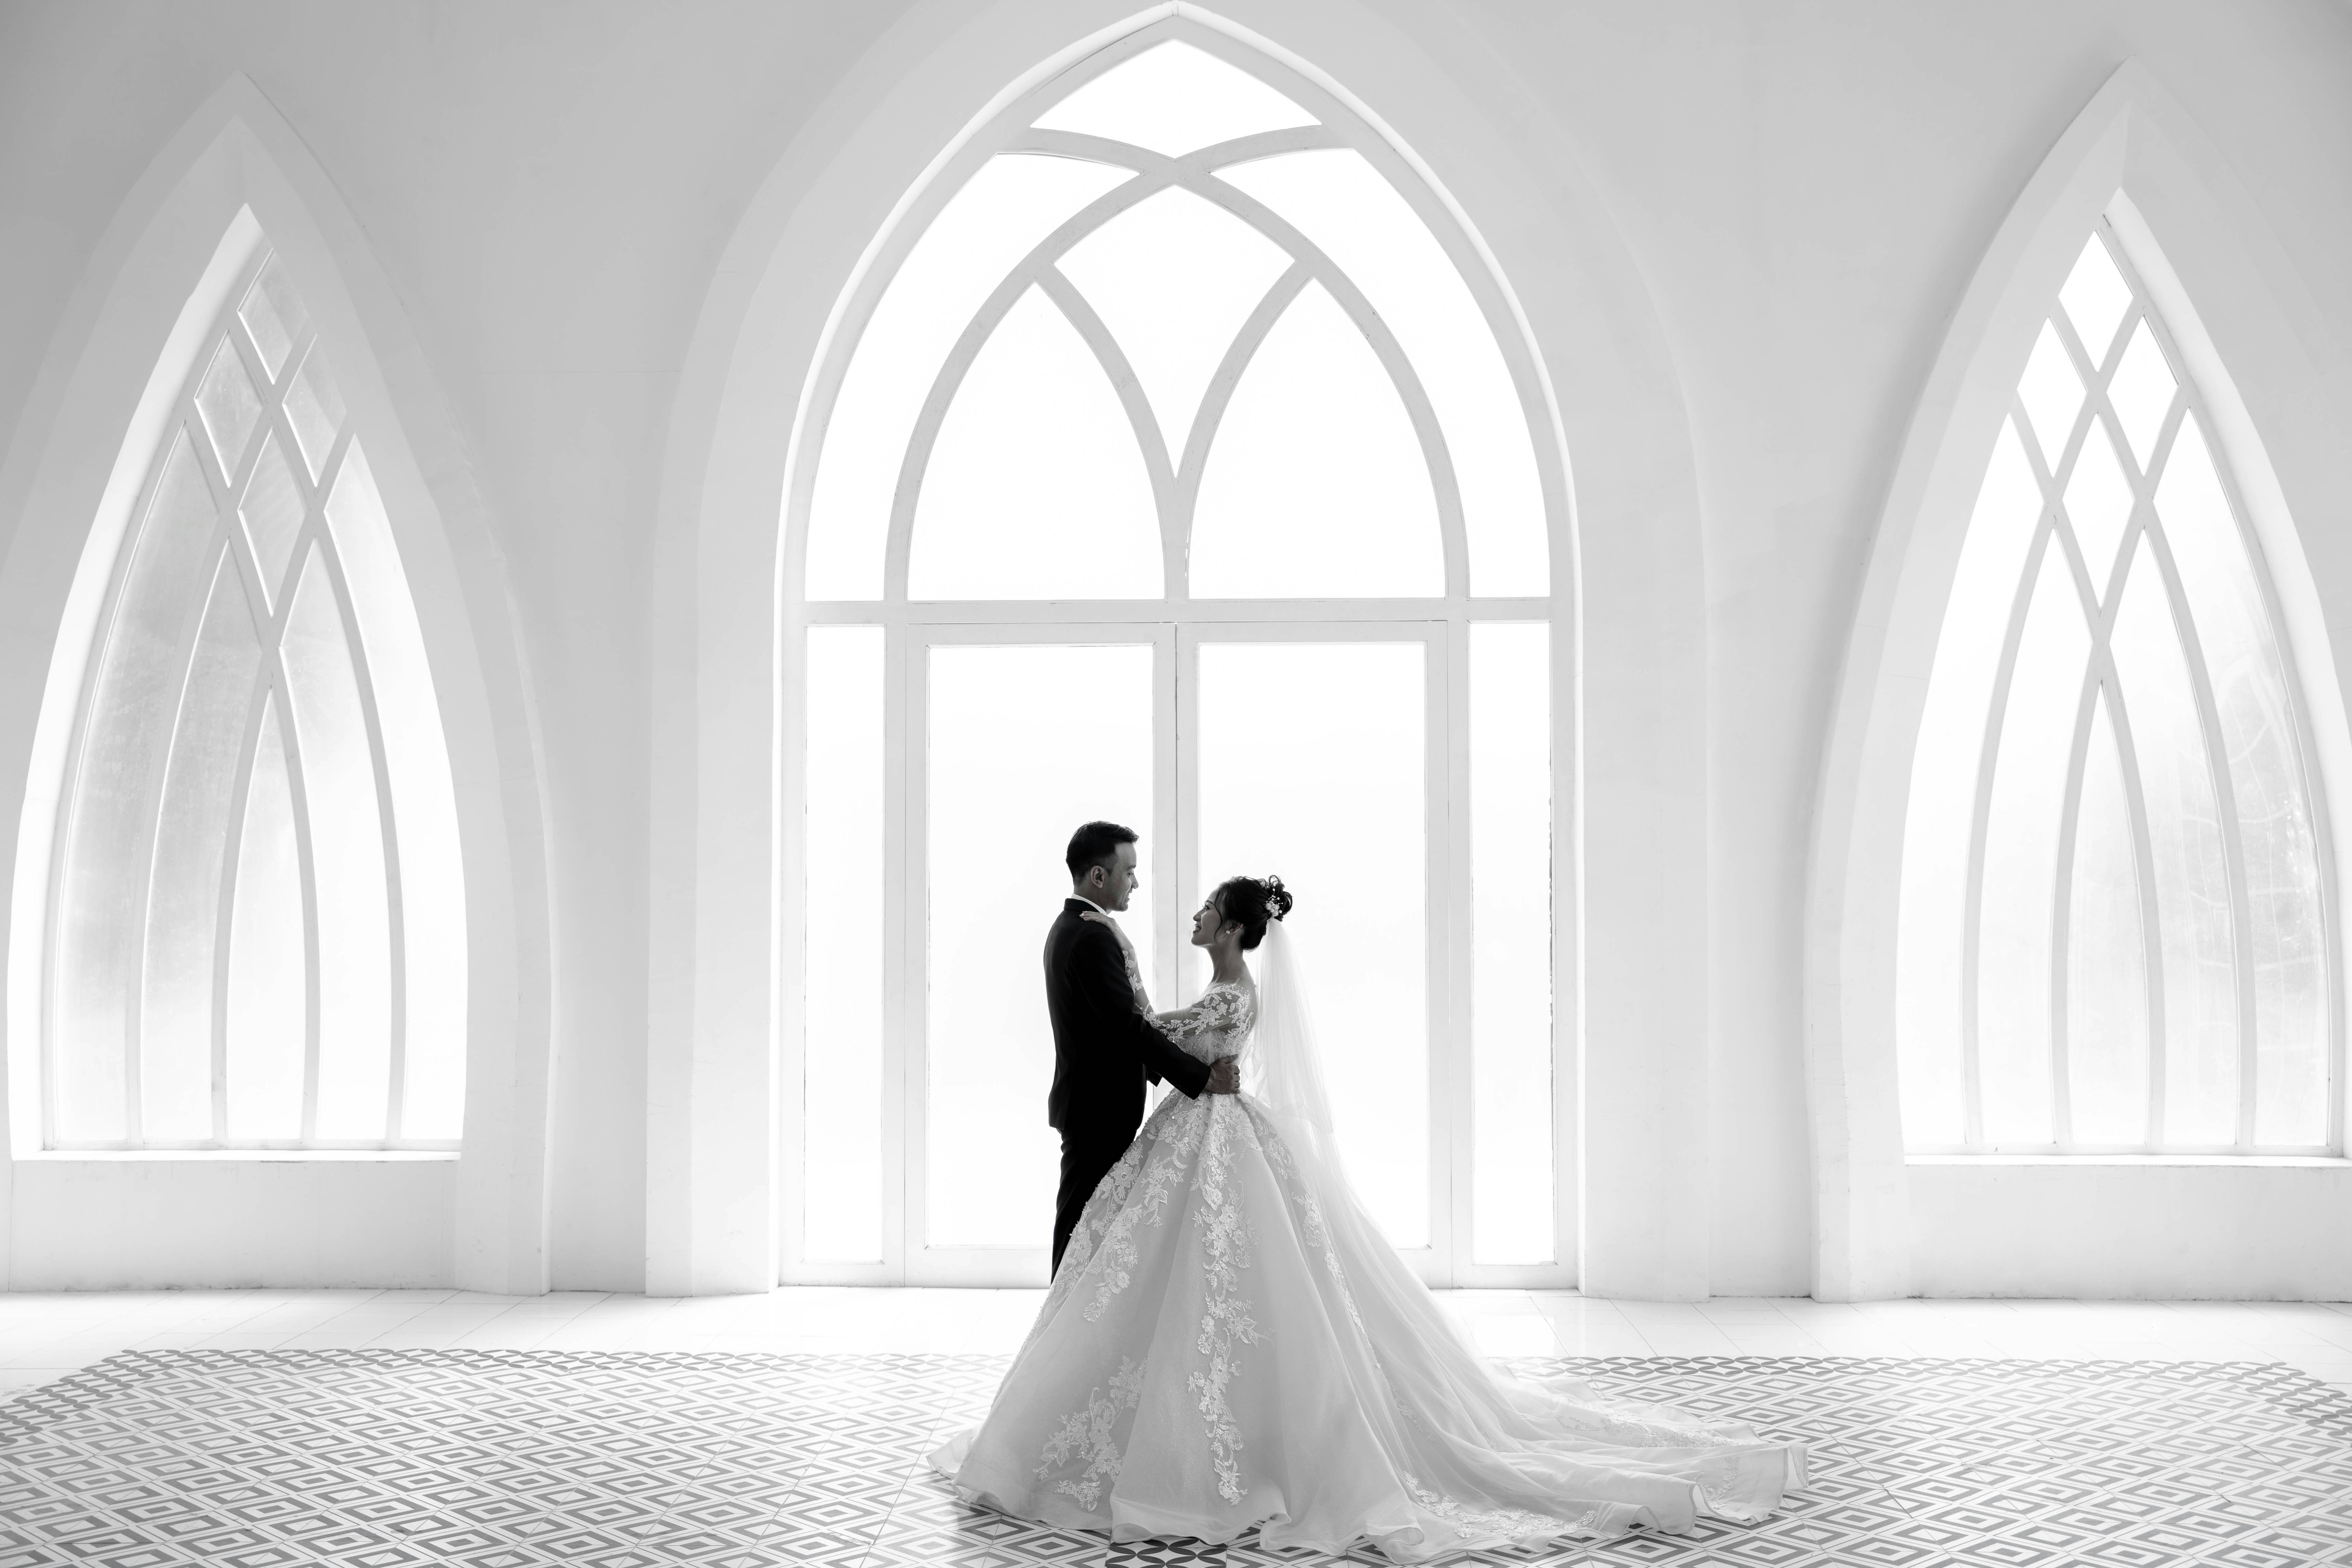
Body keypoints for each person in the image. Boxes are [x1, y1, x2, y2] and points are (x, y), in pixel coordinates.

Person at [934, 873, 1809, 1562]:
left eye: (1207, 910)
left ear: (1235, 929)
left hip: (1214, 1136)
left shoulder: (1230, 996)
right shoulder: (1223, 991)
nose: (1195, 917)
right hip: (1202, 1127)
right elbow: (1159, 1031)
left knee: (1221, 1283)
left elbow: (1159, 1031)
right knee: (1180, 1281)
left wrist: (1137, 1026)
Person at [1044, 821, 1239, 1275]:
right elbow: (1129, 1027)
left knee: (1087, 1225)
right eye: (1128, 871)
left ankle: (1065, 1334)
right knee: (1081, 1228)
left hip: (1093, 1105)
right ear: (1098, 875)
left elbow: (1129, 1024)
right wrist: (1202, 1077)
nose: (1135, 881)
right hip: (1097, 1109)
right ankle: (1056, 1337)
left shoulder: (1078, 927)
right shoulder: (1091, 935)